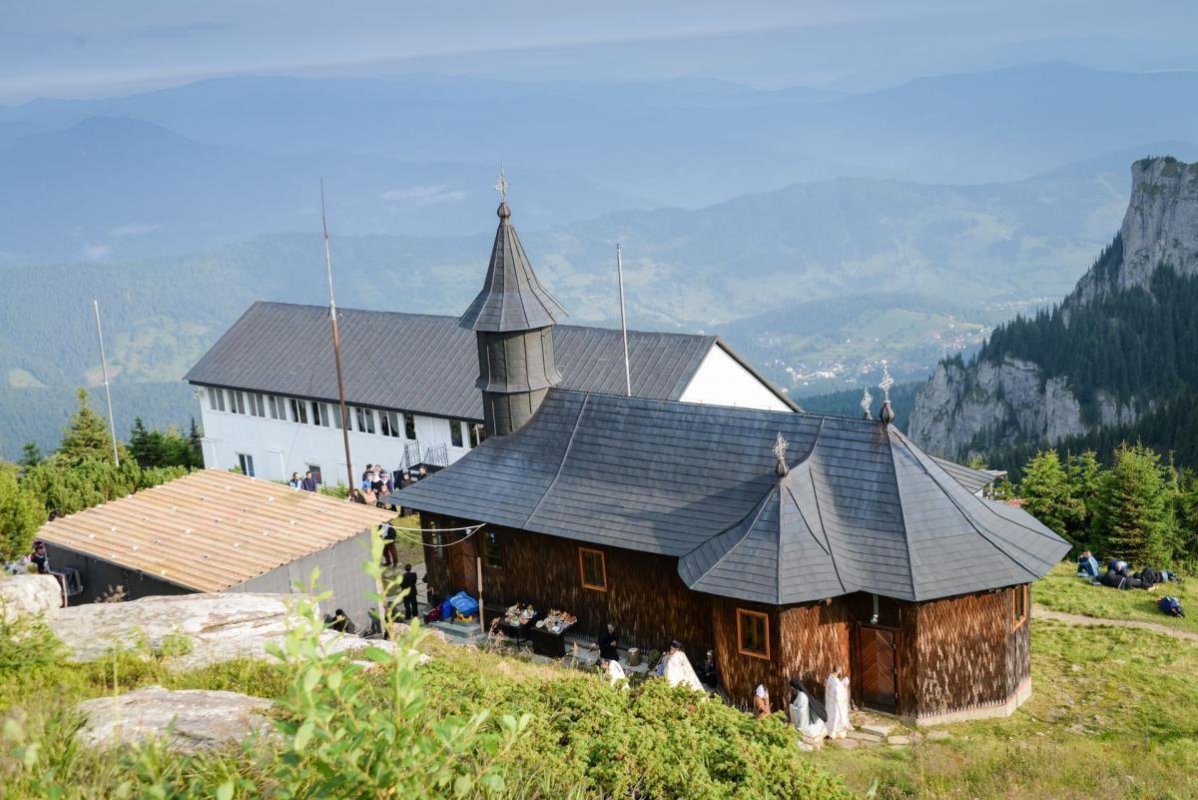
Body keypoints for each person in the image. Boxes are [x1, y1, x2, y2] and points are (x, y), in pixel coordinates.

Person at [824, 666, 853, 739]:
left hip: (830, 703)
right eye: (840, 670)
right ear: (839, 671)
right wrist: (845, 686)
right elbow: (838, 693)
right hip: (836, 704)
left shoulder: (830, 678)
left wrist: (841, 683)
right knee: (837, 718)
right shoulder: (835, 681)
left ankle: (829, 731)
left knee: (831, 717)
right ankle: (835, 734)